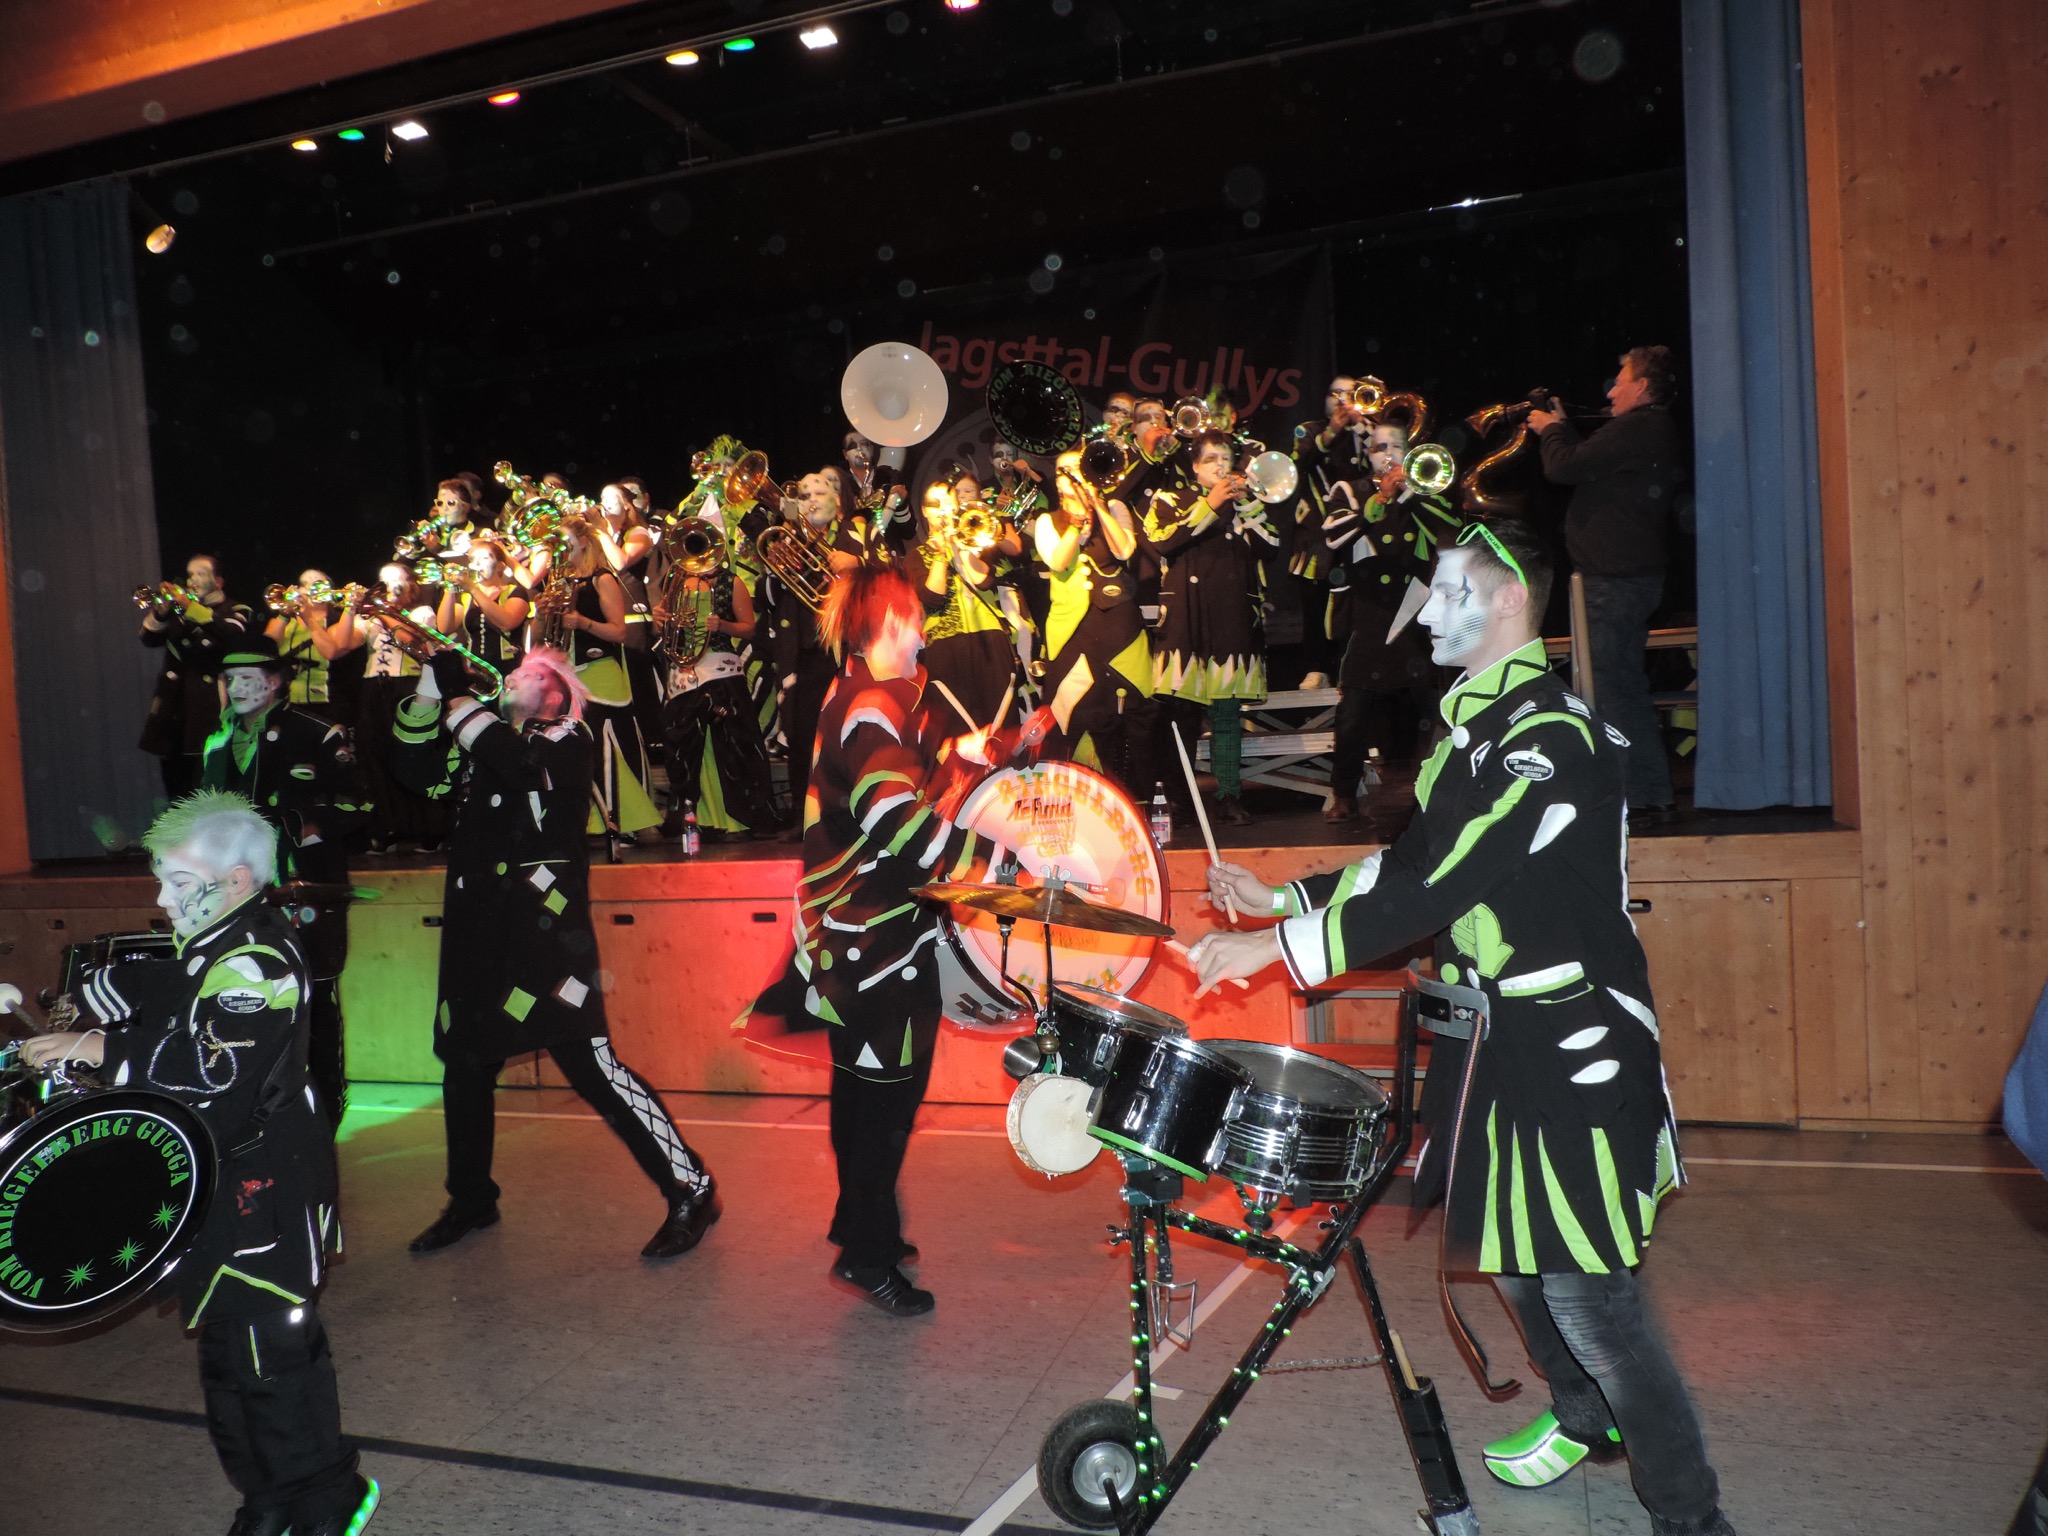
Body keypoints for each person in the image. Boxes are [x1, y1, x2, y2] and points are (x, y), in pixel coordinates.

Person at [1188, 519, 1735, 1536]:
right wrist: (1286, 898)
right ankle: (1583, 1418)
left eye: (1448, 594)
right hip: (1491, 1041)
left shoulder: (1551, 739)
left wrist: (1275, 950)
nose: (1426, 614)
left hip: (1571, 1044)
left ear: (1509, 601)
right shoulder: (1470, 738)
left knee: (1591, 1301)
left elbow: (1447, 879)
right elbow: (1405, 864)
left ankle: (1691, 1517)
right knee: (1512, 1259)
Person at [19, 790, 377, 1536]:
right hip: (219, 1186)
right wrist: (86, 995)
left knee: (274, 1356)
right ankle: (266, 1498)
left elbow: (214, 1069)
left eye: (179, 883)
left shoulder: (258, 961)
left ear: (237, 881)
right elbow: (162, 986)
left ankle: (328, 1497)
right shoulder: (212, 943)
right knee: (224, 1355)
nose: (163, 899)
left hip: (267, 1192)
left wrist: (100, 1047)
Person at [391, 646, 720, 1258]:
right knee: (465, 1064)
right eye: (515, 670)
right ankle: (471, 1199)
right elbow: (415, 773)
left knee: (592, 1066)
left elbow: (520, 767)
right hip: (478, 932)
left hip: (543, 935)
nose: (515, 674)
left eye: (533, 673)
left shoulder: (568, 737)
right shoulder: (482, 740)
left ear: (560, 695)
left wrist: (459, 699)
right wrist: (430, 692)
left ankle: (690, 1187)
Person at [740, 564, 997, 1316]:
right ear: (888, 623)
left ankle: (858, 1221)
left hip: (851, 940)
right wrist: (989, 863)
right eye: (915, 617)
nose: (923, 633)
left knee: (860, 1091)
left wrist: (979, 753)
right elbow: (893, 817)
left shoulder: (857, 695)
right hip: (878, 946)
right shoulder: (872, 706)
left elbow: (897, 782)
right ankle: (867, 1255)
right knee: (886, 1102)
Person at [201, 634, 370, 1129]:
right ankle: (254, 1113)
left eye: (247, 678)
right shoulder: (216, 743)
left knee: (314, 1004)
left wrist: (296, 827)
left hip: (304, 892)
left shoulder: (317, 733)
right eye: (229, 679)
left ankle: (325, 1115)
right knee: (242, 998)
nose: (236, 688)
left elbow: (359, 805)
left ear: (274, 682)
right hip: (236, 899)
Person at [1529, 345, 1685, 813]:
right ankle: (1650, 793)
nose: (1612, 391)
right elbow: (1589, 462)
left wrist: (1550, 429)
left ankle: (1636, 795)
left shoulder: (1640, 427)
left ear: (1642, 386)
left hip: (1613, 582)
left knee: (1613, 692)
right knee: (1623, 689)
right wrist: (1562, 430)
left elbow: (1564, 466)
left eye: (1620, 381)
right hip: (1621, 580)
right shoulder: (1645, 430)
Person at [1323, 416, 1465, 827]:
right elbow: (1333, 536)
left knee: (1432, 709)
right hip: (1368, 614)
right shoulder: (1349, 490)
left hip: (1415, 613)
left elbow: (1452, 530)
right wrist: (1380, 500)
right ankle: (1344, 794)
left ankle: (1437, 790)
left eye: (1396, 447)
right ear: (1367, 454)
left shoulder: (1425, 490)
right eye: (1379, 448)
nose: (1387, 455)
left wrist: (1409, 496)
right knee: (1354, 710)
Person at [1143, 429, 1277, 828]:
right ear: (1195, 467)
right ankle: (1179, 801)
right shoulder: (1170, 500)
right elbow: (1162, 541)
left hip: (1232, 625)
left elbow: (1271, 546)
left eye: (1226, 459)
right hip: (1186, 624)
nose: (1221, 466)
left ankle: (1229, 797)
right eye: (1211, 459)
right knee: (1180, 720)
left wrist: (1246, 505)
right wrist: (1210, 504)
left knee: (1226, 719)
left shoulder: (1246, 504)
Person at [1034, 453, 1157, 798]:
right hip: (1072, 630)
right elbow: (1057, 561)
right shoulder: (1047, 520)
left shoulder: (1115, 507)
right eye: (1067, 471)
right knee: (1073, 711)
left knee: (1133, 709)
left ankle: (1137, 798)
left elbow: (1125, 550)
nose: (1075, 476)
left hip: (1119, 627)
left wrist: (1099, 506)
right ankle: (1073, 796)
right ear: (1057, 480)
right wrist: (1075, 524)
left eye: (1080, 469)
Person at [655, 510, 779, 837]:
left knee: (733, 745)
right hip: (684, 673)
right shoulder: (676, 581)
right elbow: (664, 627)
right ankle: (694, 816)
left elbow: (749, 629)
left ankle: (738, 816)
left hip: (721, 670)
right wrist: (659, 619)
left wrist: (723, 625)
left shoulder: (730, 582)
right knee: (685, 747)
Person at [763, 470, 864, 827]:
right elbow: (769, 600)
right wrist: (775, 568)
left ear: (837, 500)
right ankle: (804, 818)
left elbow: (890, 572)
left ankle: (854, 814)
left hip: (848, 650)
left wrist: (857, 564)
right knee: (804, 736)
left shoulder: (856, 535)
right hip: (805, 655)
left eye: (819, 493)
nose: (811, 500)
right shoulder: (788, 540)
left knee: (851, 734)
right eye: (804, 495)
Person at [551, 516, 663, 839]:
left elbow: (619, 632)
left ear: (584, 543)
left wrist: (583, 622)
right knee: (585, 751)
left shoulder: (603, 579)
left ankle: (631, 823)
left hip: (602, 674)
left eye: (566, 543)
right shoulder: (564, 582)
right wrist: (546, 612)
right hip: (572, 675)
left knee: (612, 750)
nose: (561, 550)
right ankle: (597, 823)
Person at [328, 563, 446, 854]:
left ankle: (429, 827)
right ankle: (390, 826)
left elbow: (408, 640)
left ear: (410, 585)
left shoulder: (420, 612)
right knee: (375, 757)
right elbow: (341, 644)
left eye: (395, 581)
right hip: (373, 688)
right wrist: (351, 609)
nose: (387, 587)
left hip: (407, 686)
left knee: (412, 755)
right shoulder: (371, 617)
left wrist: (382, 611)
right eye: (383, 581)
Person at [916, 470, 1024, 736]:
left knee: (1002, 727)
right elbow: (933, 598)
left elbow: (983, 580)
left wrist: (958, 546)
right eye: (935, 504)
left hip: (989, 640)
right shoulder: (916, 556)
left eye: (948, 502)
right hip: (944, 647)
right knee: (957, 732)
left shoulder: (978, 543)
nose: (942, 510)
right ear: (925, 511)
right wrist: (941, 553)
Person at [139, 554, 251, 799]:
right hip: (174, 713)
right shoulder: (177, 612)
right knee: (177, 793)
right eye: (190, 574)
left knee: (210, 788)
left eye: (201, 574)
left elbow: (233, 635)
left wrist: (191, 608)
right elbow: (148, 639)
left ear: (218, 582)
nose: (193, 580)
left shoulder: (234, 609)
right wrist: (161, 612)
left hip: (209, 710)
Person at [1288, 374, 1373, 688]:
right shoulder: (1309, 429)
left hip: (1358, 531)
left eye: (1349, 394)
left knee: (1355, 604)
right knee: (1314, 602)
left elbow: (1384, 460)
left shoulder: (1367, 430)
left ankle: (1350, 666)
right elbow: (1300, 461)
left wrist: (1360, 422)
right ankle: (1317, 667)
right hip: (1316, 535)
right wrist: (1334, 429)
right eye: (1334, 393)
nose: (1340, 400)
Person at [263, 569, 350, 722]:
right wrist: (284, 613)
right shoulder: (285, 621)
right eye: (304, 584)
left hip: (327, 703)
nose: (309, 588)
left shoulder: (338, 620)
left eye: (317, 584)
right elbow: (266, 648)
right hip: (286, 701)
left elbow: (331, 652)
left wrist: (307, 616)